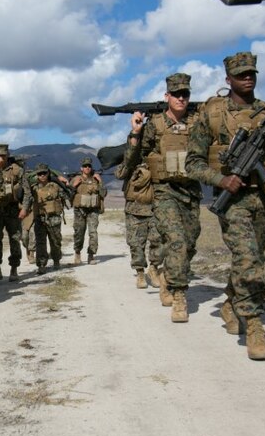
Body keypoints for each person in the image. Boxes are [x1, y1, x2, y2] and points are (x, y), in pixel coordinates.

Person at [186, 53, 265, 360]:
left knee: (253, 259)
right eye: (241, 75)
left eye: (251, 73)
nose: (247, 78)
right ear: (229, 79)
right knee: (248, 259)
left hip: (263, 198)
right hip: (233, 200)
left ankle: (231, 301)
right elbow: (193, 163)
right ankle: (253, 324)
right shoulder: (212, 114)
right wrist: (220, 180)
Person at [122, 72, 203, 323]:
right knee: (176, 240)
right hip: (164, 191)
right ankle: (179, 296)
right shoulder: (155, 124)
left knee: (188, 244)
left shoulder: (198, 122)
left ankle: (169, 276)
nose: (181, 98)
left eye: (185, 94)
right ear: (166, 96)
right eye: (176, 93)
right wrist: (135, 133)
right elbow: (133, 161)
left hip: (191, 191)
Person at [114, 159, 163, 290]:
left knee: (159, 241)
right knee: (136, 243)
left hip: (156, 207)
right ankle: (140, 273)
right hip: (134, 208)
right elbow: (119, 174)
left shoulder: (156, 155)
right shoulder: (131, 157)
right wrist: (130, 157)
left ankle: (154, 269)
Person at [0, 144, 24, 282]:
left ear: (8, 155)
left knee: (14, 239)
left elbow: (26, 190)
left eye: (3, 155)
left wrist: (24, 208)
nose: (0, 158)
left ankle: (14, 269)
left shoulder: (16, 170)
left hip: (12, 210)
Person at [19, 163, 65, 274]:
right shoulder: (33, 189)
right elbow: (26, 198)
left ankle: (56, 260)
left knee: (55, 241)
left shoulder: (56, 186)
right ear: (37, 175)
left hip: (54, 218)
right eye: (40, 174)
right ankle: (41, 265)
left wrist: (65, 183)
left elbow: (65, 196)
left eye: (44, 173)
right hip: (39, 218)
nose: (42, 176)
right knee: (40, 243)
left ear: (48, 173)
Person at [69, 157, 106, 265]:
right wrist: (74, 185)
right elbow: (68, 195)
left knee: (93, 233)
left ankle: (91, 255)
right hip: (80, 210)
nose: (87, 168)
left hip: (93, 210)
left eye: (89, 166)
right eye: (85, 166)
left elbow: (103, 194)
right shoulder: (76, 179)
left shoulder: (96, 179)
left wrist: (100, 182)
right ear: (81, 168)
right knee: (79, 233)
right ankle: (77, 253)